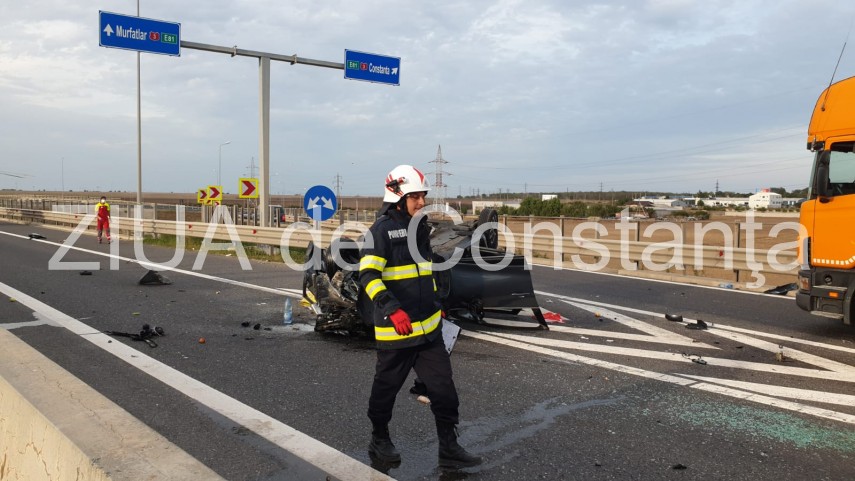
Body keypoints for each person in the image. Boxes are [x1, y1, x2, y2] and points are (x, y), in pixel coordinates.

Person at [359, 164, 481, 469]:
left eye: (423, 196)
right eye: (416, 196)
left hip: (429, 332)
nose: (422, 202)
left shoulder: (421, 229)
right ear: (398, 196)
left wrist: (438, 301)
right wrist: (392, 309)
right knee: (385, 391)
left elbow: (428, 270)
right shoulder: (381, 231)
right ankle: (379, 438)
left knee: (443, 391)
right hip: (397, 332)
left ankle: (449, 448)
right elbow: (369, 276)